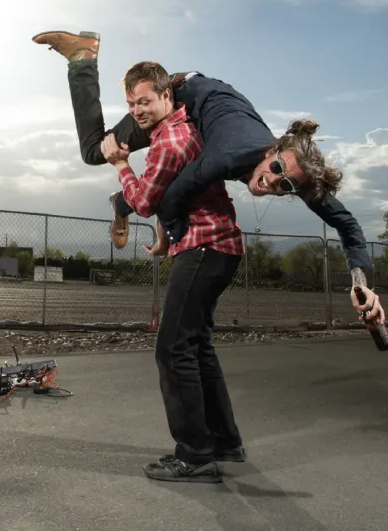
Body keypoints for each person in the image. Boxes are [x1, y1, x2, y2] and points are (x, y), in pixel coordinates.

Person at [32, 29, 385, 325]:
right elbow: (169, 199)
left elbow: (349, 226)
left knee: (169, 179)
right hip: (180, 95)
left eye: (288, 185)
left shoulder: (295, 170)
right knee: (96, 152)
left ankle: (120, 201)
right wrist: (169, 237)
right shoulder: (227, 155)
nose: (274, 182)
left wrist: (362, 282)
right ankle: (82, 58)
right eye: (276, 170)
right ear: (271, 151)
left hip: (211, 114)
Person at [101, 59, 247, 483]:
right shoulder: (183, 131)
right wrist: (167, 236)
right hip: (216, 245)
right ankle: (223, 440)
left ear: (167, 96)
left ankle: (195, 454)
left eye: (144, 101)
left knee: (173, 348)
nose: (137, 110)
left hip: (205, 246)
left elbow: (145, 201)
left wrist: (120, 164)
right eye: (130, 103)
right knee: (197, 345)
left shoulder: (169, 143)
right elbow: (172, 198)